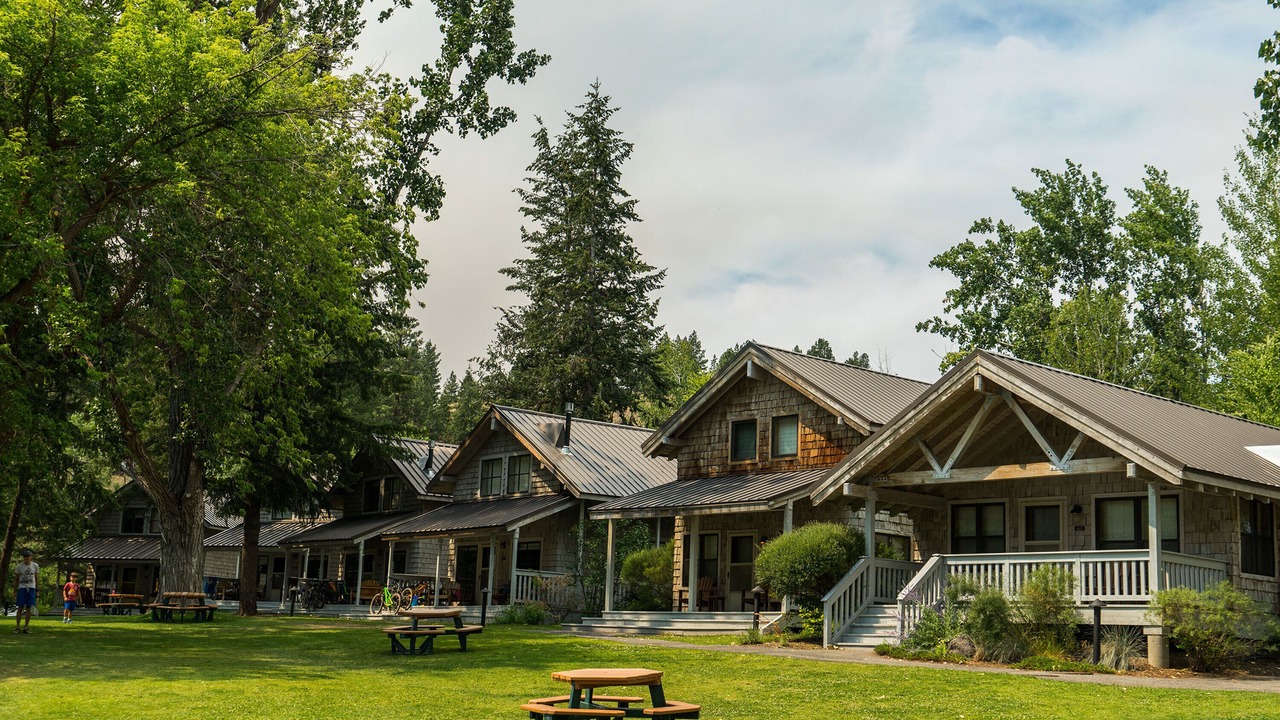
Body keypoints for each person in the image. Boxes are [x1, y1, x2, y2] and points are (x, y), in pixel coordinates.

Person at [14, 549, 38, 634]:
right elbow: (16, 579)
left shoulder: (35, 566)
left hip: (31, 588)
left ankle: (26, 627)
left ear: (31, 557)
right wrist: (15, 590)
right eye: (25, 556)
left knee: (29, 608)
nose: (26, 558)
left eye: (28, 556)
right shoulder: (19, 567)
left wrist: (37, 590)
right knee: (20, 607)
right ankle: (17, 627)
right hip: (22, 588)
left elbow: (36, 578)